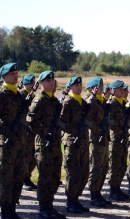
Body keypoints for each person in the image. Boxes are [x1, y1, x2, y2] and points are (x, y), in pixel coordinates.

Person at [28, 70, 65, 218]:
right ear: (41, 83)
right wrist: (44, 133)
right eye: (48, 80)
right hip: (44, 144)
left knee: (55, 177)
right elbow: (31, 122)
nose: (51, 82)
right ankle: (43, 208)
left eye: (53, 80)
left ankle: (50, 205)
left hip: (55, 143)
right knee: (45, 177)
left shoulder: (54, 101)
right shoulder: (39, 99)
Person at [60, 76, 90, 214]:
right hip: (72, 142)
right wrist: (73, 130)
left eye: (80, 84)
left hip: (83, 141)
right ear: (70, 87)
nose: (79, 86)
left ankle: (76, 199)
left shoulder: (83, 102)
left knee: (83, 173)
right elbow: (61, 122)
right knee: (73, 174)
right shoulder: (68, 102)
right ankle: (70, 202)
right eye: (76, 85)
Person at [0, 63, 26, 218]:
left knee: (18, 176)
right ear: (3, 77)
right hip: (6, 143)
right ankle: (5, 211)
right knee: (6, 178)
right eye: (12, 74)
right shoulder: (2, 95)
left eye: (16, 73)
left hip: (20, 142)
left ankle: (13, 209)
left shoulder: (20, 95)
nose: (15, 76)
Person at [86, 77, 110, 207]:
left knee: (103, 166)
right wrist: (97, 129)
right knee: (95, 167)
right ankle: (93, 194)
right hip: (94, 139)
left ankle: (98, 192)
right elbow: (87, 120)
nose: (101, 87)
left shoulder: (102, 101)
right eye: (98, 86)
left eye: (101, 85)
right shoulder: (90, 101)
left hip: (104, 138)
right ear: (91, 88)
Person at [108, 80, 130, 200]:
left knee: (122, 164)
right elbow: (110, 121)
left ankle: (118, 187)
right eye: (120, 89)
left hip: (122, 137)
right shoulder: (111, 103)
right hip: (115, 138)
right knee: (115, 164)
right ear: (112, 90)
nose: (123, 91)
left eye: (123, 89)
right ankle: (113, 190)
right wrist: (119, 131)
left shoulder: (122, 103)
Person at [19, 74, 38, 191]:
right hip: (25, 131)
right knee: (26, 156)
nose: (32, 84)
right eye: (30, 83)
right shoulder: (22, 95)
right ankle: (24, 179)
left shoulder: (32, 96)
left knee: (33, 156)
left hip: (33, 131)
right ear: (25, 83)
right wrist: (27, 124)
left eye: (33, 82)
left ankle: (27, 177)